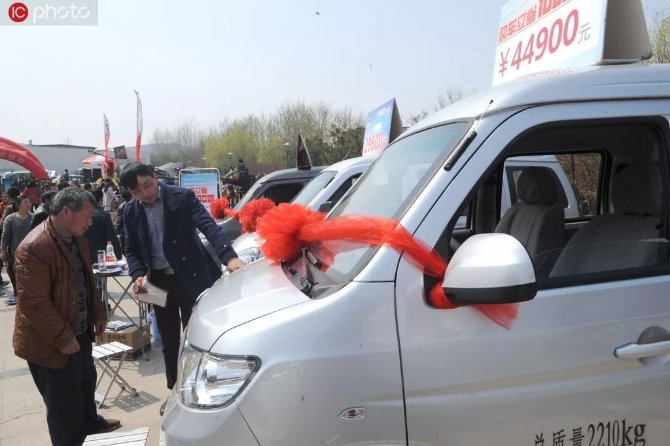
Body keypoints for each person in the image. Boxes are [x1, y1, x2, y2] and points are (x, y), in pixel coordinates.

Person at [120, 162, 246, 415]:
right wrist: (137, 274)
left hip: (191, 278)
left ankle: (201, 392)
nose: (144, 193)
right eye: (136, 191)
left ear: (155, 177)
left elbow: (209, 226)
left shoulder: (181, 197)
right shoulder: (130, 210)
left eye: (147, 185)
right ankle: (175, 393)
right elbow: (131, 249)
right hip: (158, 284)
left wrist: (229, 257)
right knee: (168, 341)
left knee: (198, 337)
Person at [12, 187, 121, 445]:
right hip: (50, 341)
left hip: (77, 330)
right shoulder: (35, 247)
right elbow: (33, 303)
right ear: (66, 212)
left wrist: (98, 312)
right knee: (63, 404)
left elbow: (86, 280)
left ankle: (91, 423)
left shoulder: (75, 238)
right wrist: (62, 337)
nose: (90, 222)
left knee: (85, 383)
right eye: (87, 216)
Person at [1, 196, 34, 305]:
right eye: (26, 202)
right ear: (18, 205)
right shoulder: (10, 219)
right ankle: (17, 294)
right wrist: (3, 250)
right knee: (14, 274)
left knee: (30, 275)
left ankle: (29, 295)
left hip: (32, 253)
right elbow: (5, 236)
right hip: (15, 253)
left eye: (29, 202)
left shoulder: (33, 218)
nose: (29, 204)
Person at [84, 188, 122, 265]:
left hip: (84, 254)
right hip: (101, 255)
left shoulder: (81, 215)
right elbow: (111, 236)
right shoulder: (104, 215)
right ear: (101, 199)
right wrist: (118, 255)